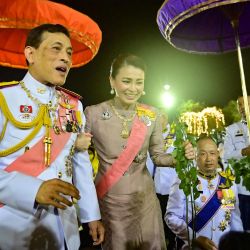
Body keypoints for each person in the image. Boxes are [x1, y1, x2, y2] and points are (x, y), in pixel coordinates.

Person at [0, 24, 104, 250]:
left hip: (65, 227)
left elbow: (80, 163)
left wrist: (90, 214)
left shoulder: (74, 106)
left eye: (69, 52)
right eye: (56, 49)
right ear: (30, 54)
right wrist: (32, 189)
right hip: (13, 225)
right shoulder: (4, 99)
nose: (65, 58)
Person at [83, 53, 195, 250]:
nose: (133, 88)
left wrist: (179, 156)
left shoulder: (151, 114)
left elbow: (159, 157)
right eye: (126, 81)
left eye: (139, 82)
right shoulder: (93, 114)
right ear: (112, 81)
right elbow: (79, 160)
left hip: (145, 201)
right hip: (110, 202)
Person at [165, 136, 243, 250]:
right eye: (203, 154)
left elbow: (233, 218)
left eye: (212, 153)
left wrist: (239, 244)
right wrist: (194, 238)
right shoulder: (185, 181)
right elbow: (171, 217)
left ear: (218, 155)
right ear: (195, 156)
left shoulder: (227, 182)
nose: (208, 159)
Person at [222, 96, 250, 231]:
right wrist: (243, 151)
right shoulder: (231, 130)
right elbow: (225, 156)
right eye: (240, 104)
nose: (243, 107)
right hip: (243, 189)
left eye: (247, 103)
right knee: (245, 228)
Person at [154, 111, 177, 250]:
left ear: (165, 118)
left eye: (159, 117)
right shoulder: (153, 136)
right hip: (156, 186)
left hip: (172, 186)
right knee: (160, 222)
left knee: (173, 222)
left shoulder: (175, 135)